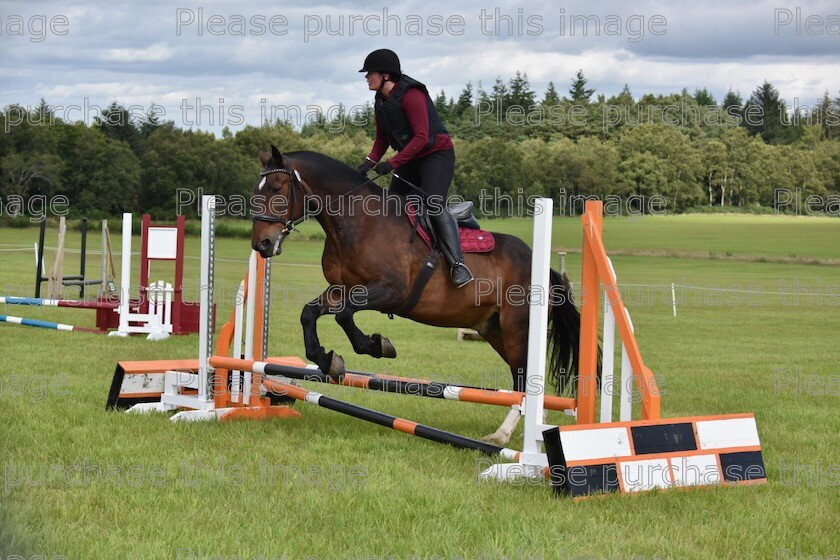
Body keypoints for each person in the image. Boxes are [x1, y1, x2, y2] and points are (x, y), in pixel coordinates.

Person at [356, 48, 474, 288]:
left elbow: (421, 138)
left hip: (435, 155)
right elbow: (382, 140)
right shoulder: (380, 100)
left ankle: (458, 265)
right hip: (411, 157)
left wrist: (392, 163)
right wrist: (367, 164)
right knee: (392, 207)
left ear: (386, 76)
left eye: (370, 73)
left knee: (433, 204)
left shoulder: (412, 95)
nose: (367, 77)